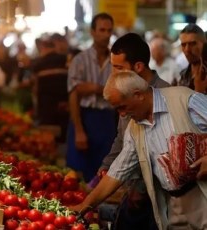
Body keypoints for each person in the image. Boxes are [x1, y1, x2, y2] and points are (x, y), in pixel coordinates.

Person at [71, 70, 207, 230]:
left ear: (138, 95)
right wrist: (85, 205)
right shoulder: (134, 128)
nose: (122, 114)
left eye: (122, 107)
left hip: (202, 195)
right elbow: (117, 172)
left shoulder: (184, 99)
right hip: (173, 205)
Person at [97, 32, 170, 230]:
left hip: (158, 195)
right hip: (132, 188)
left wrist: (139, 187)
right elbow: (122, 138)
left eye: (119, 68)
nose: (114, 74)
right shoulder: (124, 90)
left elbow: (160, 152)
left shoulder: (164, 95)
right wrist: (106, 167)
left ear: (138, 66)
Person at [67, 12, 116, 182]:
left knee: (104, 171)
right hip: (84, 117)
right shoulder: (80, 60)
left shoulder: (115, 62)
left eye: (109, 30)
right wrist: (79, 130)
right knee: (79, 173)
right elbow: (74, 93)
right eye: (102, 30)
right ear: (93, 32)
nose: (106, 35)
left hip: (108, 119)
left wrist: (92, 88)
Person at [178, 23, 206, 91]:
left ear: (204, 44)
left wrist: (200, 92)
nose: (187, 50)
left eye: (192, 44)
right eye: (183, 45)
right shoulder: (183, 75)